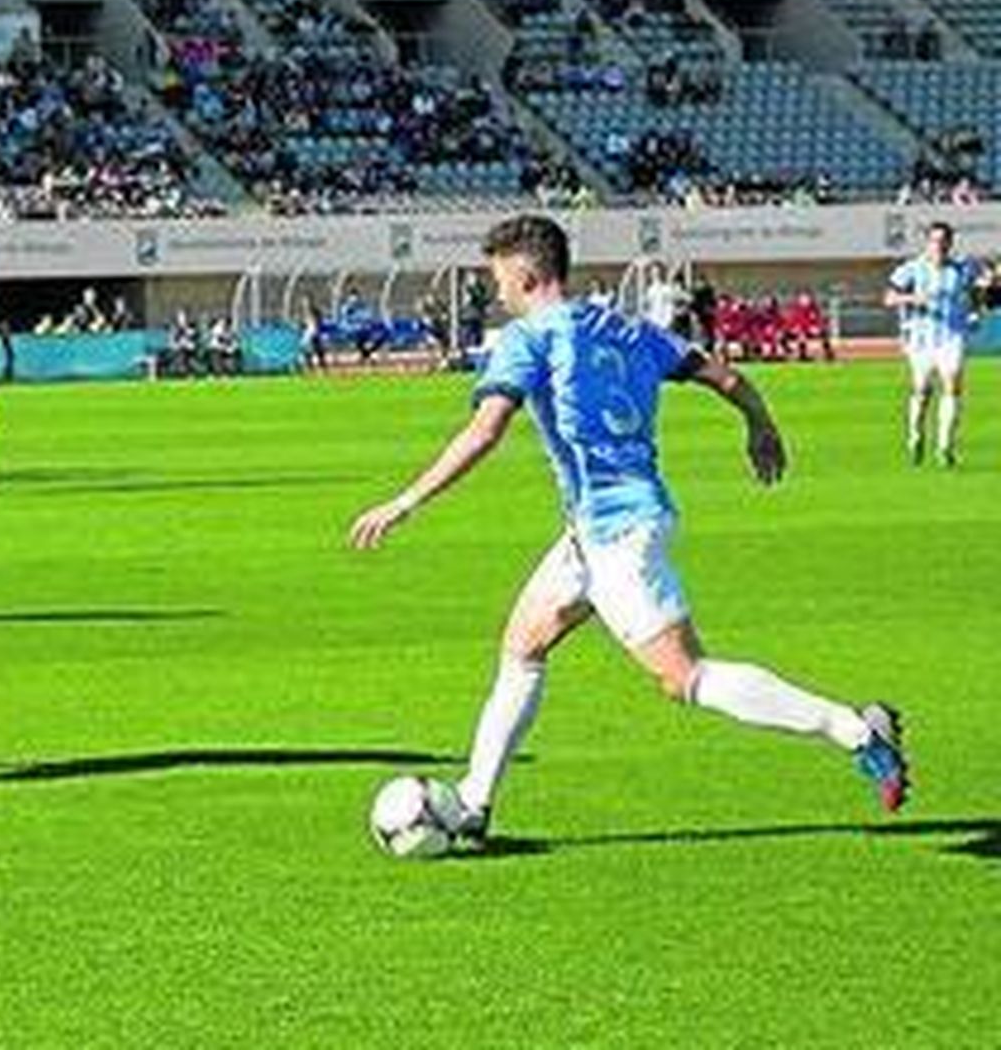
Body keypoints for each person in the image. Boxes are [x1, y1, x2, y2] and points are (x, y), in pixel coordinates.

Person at [348, 214, 908, 853]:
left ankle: (856, 731)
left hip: (616, 534)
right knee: (524, 644)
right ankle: (474, 803)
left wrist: (407, 500)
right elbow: (724, 375)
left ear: (526, 274)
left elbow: (486, 429)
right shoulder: (628, 328)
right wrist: (761, 425)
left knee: (684, 676)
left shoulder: (529, 337)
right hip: (602, 529)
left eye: (497, 278)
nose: (495, 290)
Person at [884, 222, 989, 466]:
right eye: (934, 240)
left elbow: (978, 291)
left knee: (952, 385)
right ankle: (915, 436)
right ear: (927, 243)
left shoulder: (962, 268)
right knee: (921, 390)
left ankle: (945, 446)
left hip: (951, 337)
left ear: (950, 243)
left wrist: (975, 312)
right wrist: (912, 298)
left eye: (944, 241)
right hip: (921, 338)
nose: (939, 246)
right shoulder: (912, 268)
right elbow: (889, 297)